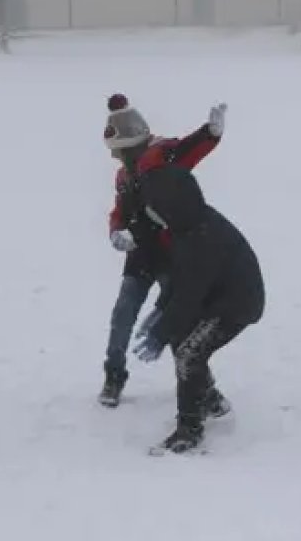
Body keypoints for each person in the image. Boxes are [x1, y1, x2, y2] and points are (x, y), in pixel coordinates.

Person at [99, 94, 225, 408]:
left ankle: (204, 388)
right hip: (141, 255)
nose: (116, 159)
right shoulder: (124, 175)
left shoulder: (161, 155)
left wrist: (209, 133)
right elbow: (120, 210)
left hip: (173, 255)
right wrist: (116, 230)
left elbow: (189, 149)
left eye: (119, 152)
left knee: (177, 322)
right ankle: (114, 375)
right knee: (123, 314)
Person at [131, 163, 265, 454]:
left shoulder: (203, 237)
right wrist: (160, 311)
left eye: (155, 206)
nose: (152, 213)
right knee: (182, 340)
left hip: (236, 304)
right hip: (213, 296)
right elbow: (179, 279)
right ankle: (208, 399)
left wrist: (160, 332)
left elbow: (190, 294)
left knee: (189, 353)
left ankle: (188, 431)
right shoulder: (185, 226)